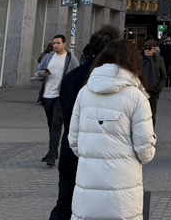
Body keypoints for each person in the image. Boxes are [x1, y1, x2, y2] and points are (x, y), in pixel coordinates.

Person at [68, 39, 156, 220]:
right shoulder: (137, 97)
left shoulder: (84, 92)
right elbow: (145, 149)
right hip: (123, 187)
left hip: (88, 183)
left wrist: (91, 155)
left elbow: (73, 140)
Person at [50, 25, 120, 220]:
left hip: (70, 153)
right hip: (100, 158)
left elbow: (66, 114)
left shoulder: (71, 77)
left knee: (64, 206)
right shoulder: (114, 81)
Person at [35, 35, 80, 166]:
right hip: (47, 96)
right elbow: (37, 71)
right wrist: (42, 73)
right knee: (51, 124)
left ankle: (52, 153)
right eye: (54, 43)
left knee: (56, 124)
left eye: (58, 43)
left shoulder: (70, 59)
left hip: (61, 97)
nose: (55, 45)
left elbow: (77, 76)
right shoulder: (48, 57)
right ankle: (53, 151)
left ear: (64, 44)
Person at [140, 39, 166, 127]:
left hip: (153, 91)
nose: (147, 50)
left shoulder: (159, 60)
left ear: (154, 49)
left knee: (152, 114)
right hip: (141, 91)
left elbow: (164, 76)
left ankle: (151, 133)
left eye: (149, 49)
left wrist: (158, 89)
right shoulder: (140, 59)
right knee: (140, 114)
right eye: (145, 49)